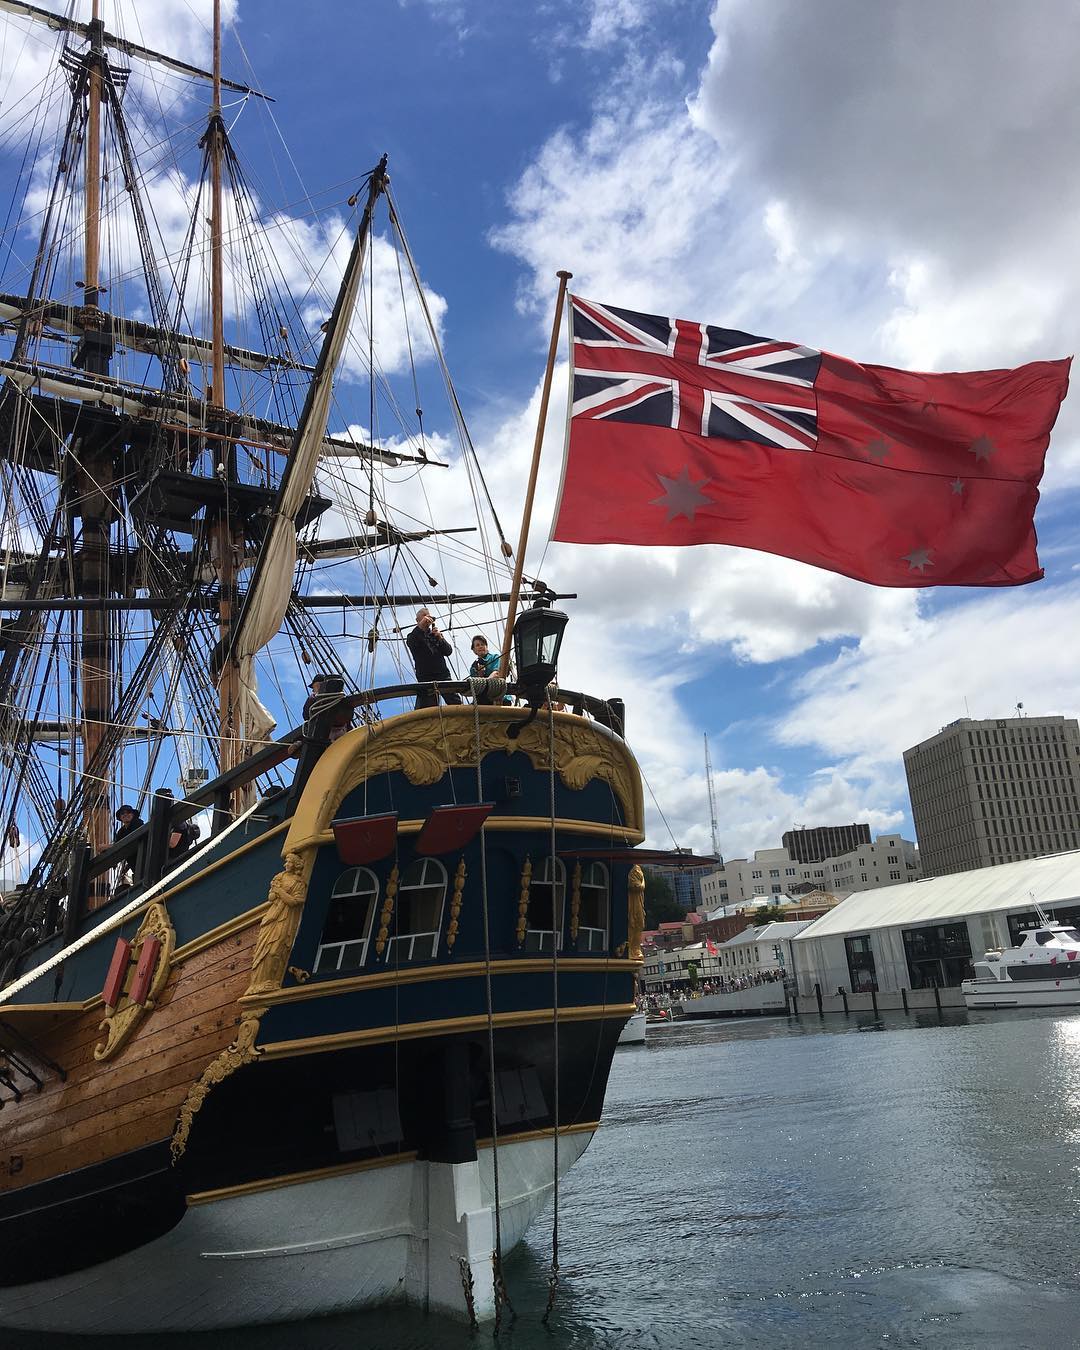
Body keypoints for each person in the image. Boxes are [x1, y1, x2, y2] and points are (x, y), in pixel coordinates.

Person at [406, 607, 461, 709]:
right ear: (417, 620)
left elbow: (448, 651)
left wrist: (441, 639)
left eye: (428, 615)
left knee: (456, 703)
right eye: (424, 615)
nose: (427, 618)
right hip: (425, 678)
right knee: (426, 709)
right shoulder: (413, 635)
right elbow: (411, 642)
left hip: (443, 675)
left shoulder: (435, 635)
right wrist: (421, 627)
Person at [468, 634, 512, 706]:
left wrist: (484, 681)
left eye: (482, 644)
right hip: (483, 700)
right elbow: (475, 687)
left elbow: (497, 673)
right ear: (474, 650)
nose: (480, 646)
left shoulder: (495, 657)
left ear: (486, 647)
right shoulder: (473, 668)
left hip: (500, 697)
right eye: (477, 645)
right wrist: (480, 675)